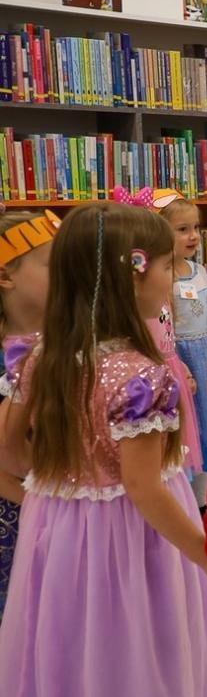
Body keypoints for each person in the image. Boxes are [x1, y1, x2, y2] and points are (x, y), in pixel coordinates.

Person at [0, 203, 207, 697]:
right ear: (135, 273)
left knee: (82, 658)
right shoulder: (139, 376)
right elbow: (142, 487)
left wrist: (54, 498)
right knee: (143, 661)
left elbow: (7, 453)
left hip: (61, 542)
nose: (174, 270)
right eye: (167, 262)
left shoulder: (43, 357)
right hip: (135, 544)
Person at [0, 208, 58, 620]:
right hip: (17, 518)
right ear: (6, 276)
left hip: (65, 512)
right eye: (55, 266)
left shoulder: (73, 344)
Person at [160, 194, 207, 500]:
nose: (194, 236)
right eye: (183, 229)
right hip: (179, 363)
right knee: (186, 430)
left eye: (196, 228)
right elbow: (162, 330)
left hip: (206, 363)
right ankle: (185, 498)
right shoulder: (158, 279)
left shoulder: (198, 272)